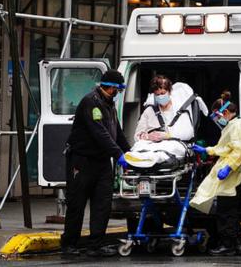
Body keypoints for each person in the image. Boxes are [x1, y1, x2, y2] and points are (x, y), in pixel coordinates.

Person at [61, 69, 131, 257]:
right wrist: (118, 155)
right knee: (77, 203)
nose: (117, 94)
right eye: (116, 90)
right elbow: (99, 133)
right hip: (82, 161)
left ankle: (96, 244)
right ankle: (69, 244)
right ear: (109, 87)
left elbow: (117, 133)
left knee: (102, 204)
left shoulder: (109, 105)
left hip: (101, 162)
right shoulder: (91, 102)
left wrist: (130, 153)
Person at [190, 92, 241, 256]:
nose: (217, 120)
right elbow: (226, 148)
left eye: (217, 116)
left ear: (224, 113)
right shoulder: (233, 126)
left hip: (234, 174)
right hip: (234, 174)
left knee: (226, 211)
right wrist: (207, 150)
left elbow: (239, 151)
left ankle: (228, 245)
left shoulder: (236, 126)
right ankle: (237, 243)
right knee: (230, 210)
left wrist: (228, 168)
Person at [134, 75, 194, 142]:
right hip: (151, 148)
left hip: (175, 147)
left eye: (163, 93)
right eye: (157, 94)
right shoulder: (149, 111)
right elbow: (137, 136)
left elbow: (188, 133)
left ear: (170, 91)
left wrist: (168, 136)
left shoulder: (180, 110)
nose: (160, 97)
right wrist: (148, 136)